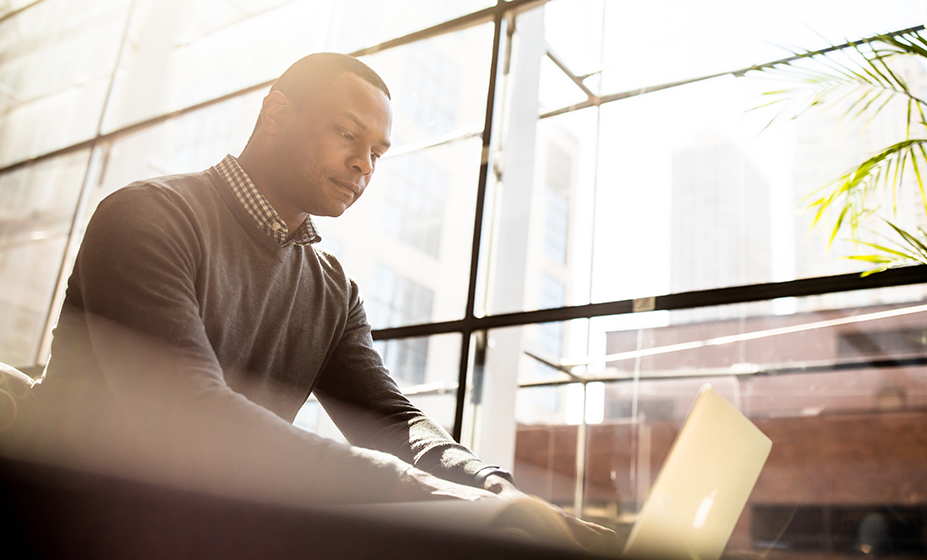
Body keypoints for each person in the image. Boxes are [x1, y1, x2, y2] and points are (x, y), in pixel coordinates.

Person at [11, 53, 616, 551]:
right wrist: (434, 496)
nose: (363, 163)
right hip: (76, 522)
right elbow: (186, 413)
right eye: (347, 134)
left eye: (378, 152)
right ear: (275, 112)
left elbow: (389, 421)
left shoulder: (331, 288)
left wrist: (496, 489)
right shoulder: (148, 215)